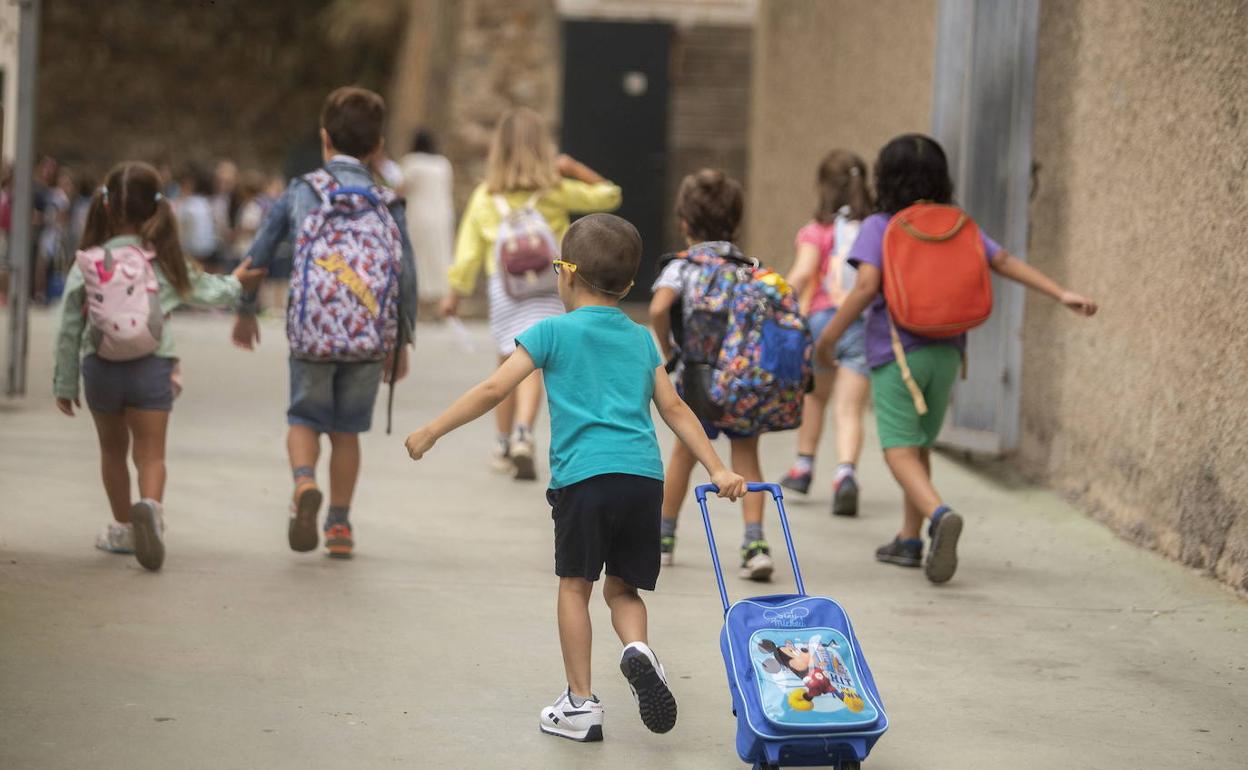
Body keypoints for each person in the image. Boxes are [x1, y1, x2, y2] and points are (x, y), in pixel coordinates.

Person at [405, 213, 747, 743]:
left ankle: (581, 704)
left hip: (583, 480)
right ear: (630, 285)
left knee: (574, 585)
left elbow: (496, 390)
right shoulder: (638, 340)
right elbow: (675, 408)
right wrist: (718, 466)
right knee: (623, 588)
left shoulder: (550, 332)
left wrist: (433, 429)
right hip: (642, 480)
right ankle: (638, 650)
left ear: (565, 274)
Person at [815, 134, 1098, 584]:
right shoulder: (956, 223)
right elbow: (1002, 260)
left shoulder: (881, 225)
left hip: (897, 354)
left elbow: (866, 287)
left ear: (887, 177)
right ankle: (909, 540)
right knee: (919, 444)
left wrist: (827, 339)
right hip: (949, 352)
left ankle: (937, 514)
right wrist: (1060, 292)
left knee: (898, 450)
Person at [231, 86, 417, 560]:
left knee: (304, 417)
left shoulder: (303, 191)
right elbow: (406, 276)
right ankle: (338, 525)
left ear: (324, 139)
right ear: (377, 147)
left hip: (312, 334)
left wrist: (246, 311)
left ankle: (303, 483)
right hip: (368, 338)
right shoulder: (388, 202)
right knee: (347, 431)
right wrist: (402, 343)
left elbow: (257, 257)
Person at [51, 161, 264, 571]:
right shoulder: (162, 261)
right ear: (155, 209)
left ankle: (122, 528)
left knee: (113, 452)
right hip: (152, 367)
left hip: (101, 367)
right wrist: (238, 281)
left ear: (108, 208)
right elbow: (210, 292)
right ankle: (150, 508)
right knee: (151, 455)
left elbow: (68, 327)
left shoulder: (88, 262)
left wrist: (64, 382)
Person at [443, 107, 621, 482]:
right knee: (536, 359)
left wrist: (456, 291)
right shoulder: (555, 191)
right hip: (550, 284)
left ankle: (503, 441)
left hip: (505, 289)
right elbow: (609, 196)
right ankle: (525, 432)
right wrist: (573, 168)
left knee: (508, 359)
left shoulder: (484, 196)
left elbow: (468, 251)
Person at [649, 169, 774, 581]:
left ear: (684, 223)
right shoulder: (748, 268)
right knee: (746, 455)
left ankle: (663, 538)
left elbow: (657, 308)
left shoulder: (682, 267)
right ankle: (754, 544)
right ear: (736, 222)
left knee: (684, 454)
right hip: (741, 381)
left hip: (694, 381)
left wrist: (668, 351)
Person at [779, 150, 873, 517]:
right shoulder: (873, 229)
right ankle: (845, 473)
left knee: (815, 399)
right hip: (860, 324)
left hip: (820, 322)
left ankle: (803, 467)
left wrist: (774, 298)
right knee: (850, 409)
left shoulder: (815, 231)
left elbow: (803, 274)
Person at [399, 128, 454, 307]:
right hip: (442, 215)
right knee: (440, 256)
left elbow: (400, 188)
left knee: (418, 257)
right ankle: (441, 299)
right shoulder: (442, 163)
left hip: (418, 216)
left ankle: (420, 301)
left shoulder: (411, 162)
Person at [176, 165, 221, 272]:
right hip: (208, 249)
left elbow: (179, 229)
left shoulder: (187, 205)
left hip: (191, 250)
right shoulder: (205, 203)